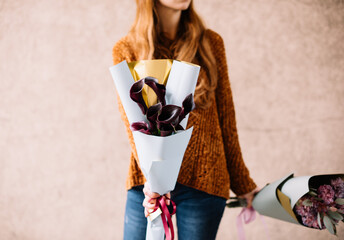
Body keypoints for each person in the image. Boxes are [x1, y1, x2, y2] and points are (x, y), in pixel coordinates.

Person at [112, 0, 258, 239]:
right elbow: (134, 128)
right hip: (146, 186)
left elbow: (226, 120)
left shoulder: (211, 43)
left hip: (205, 180)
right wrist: (153, 183)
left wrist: (244, 184)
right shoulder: (126, 49)